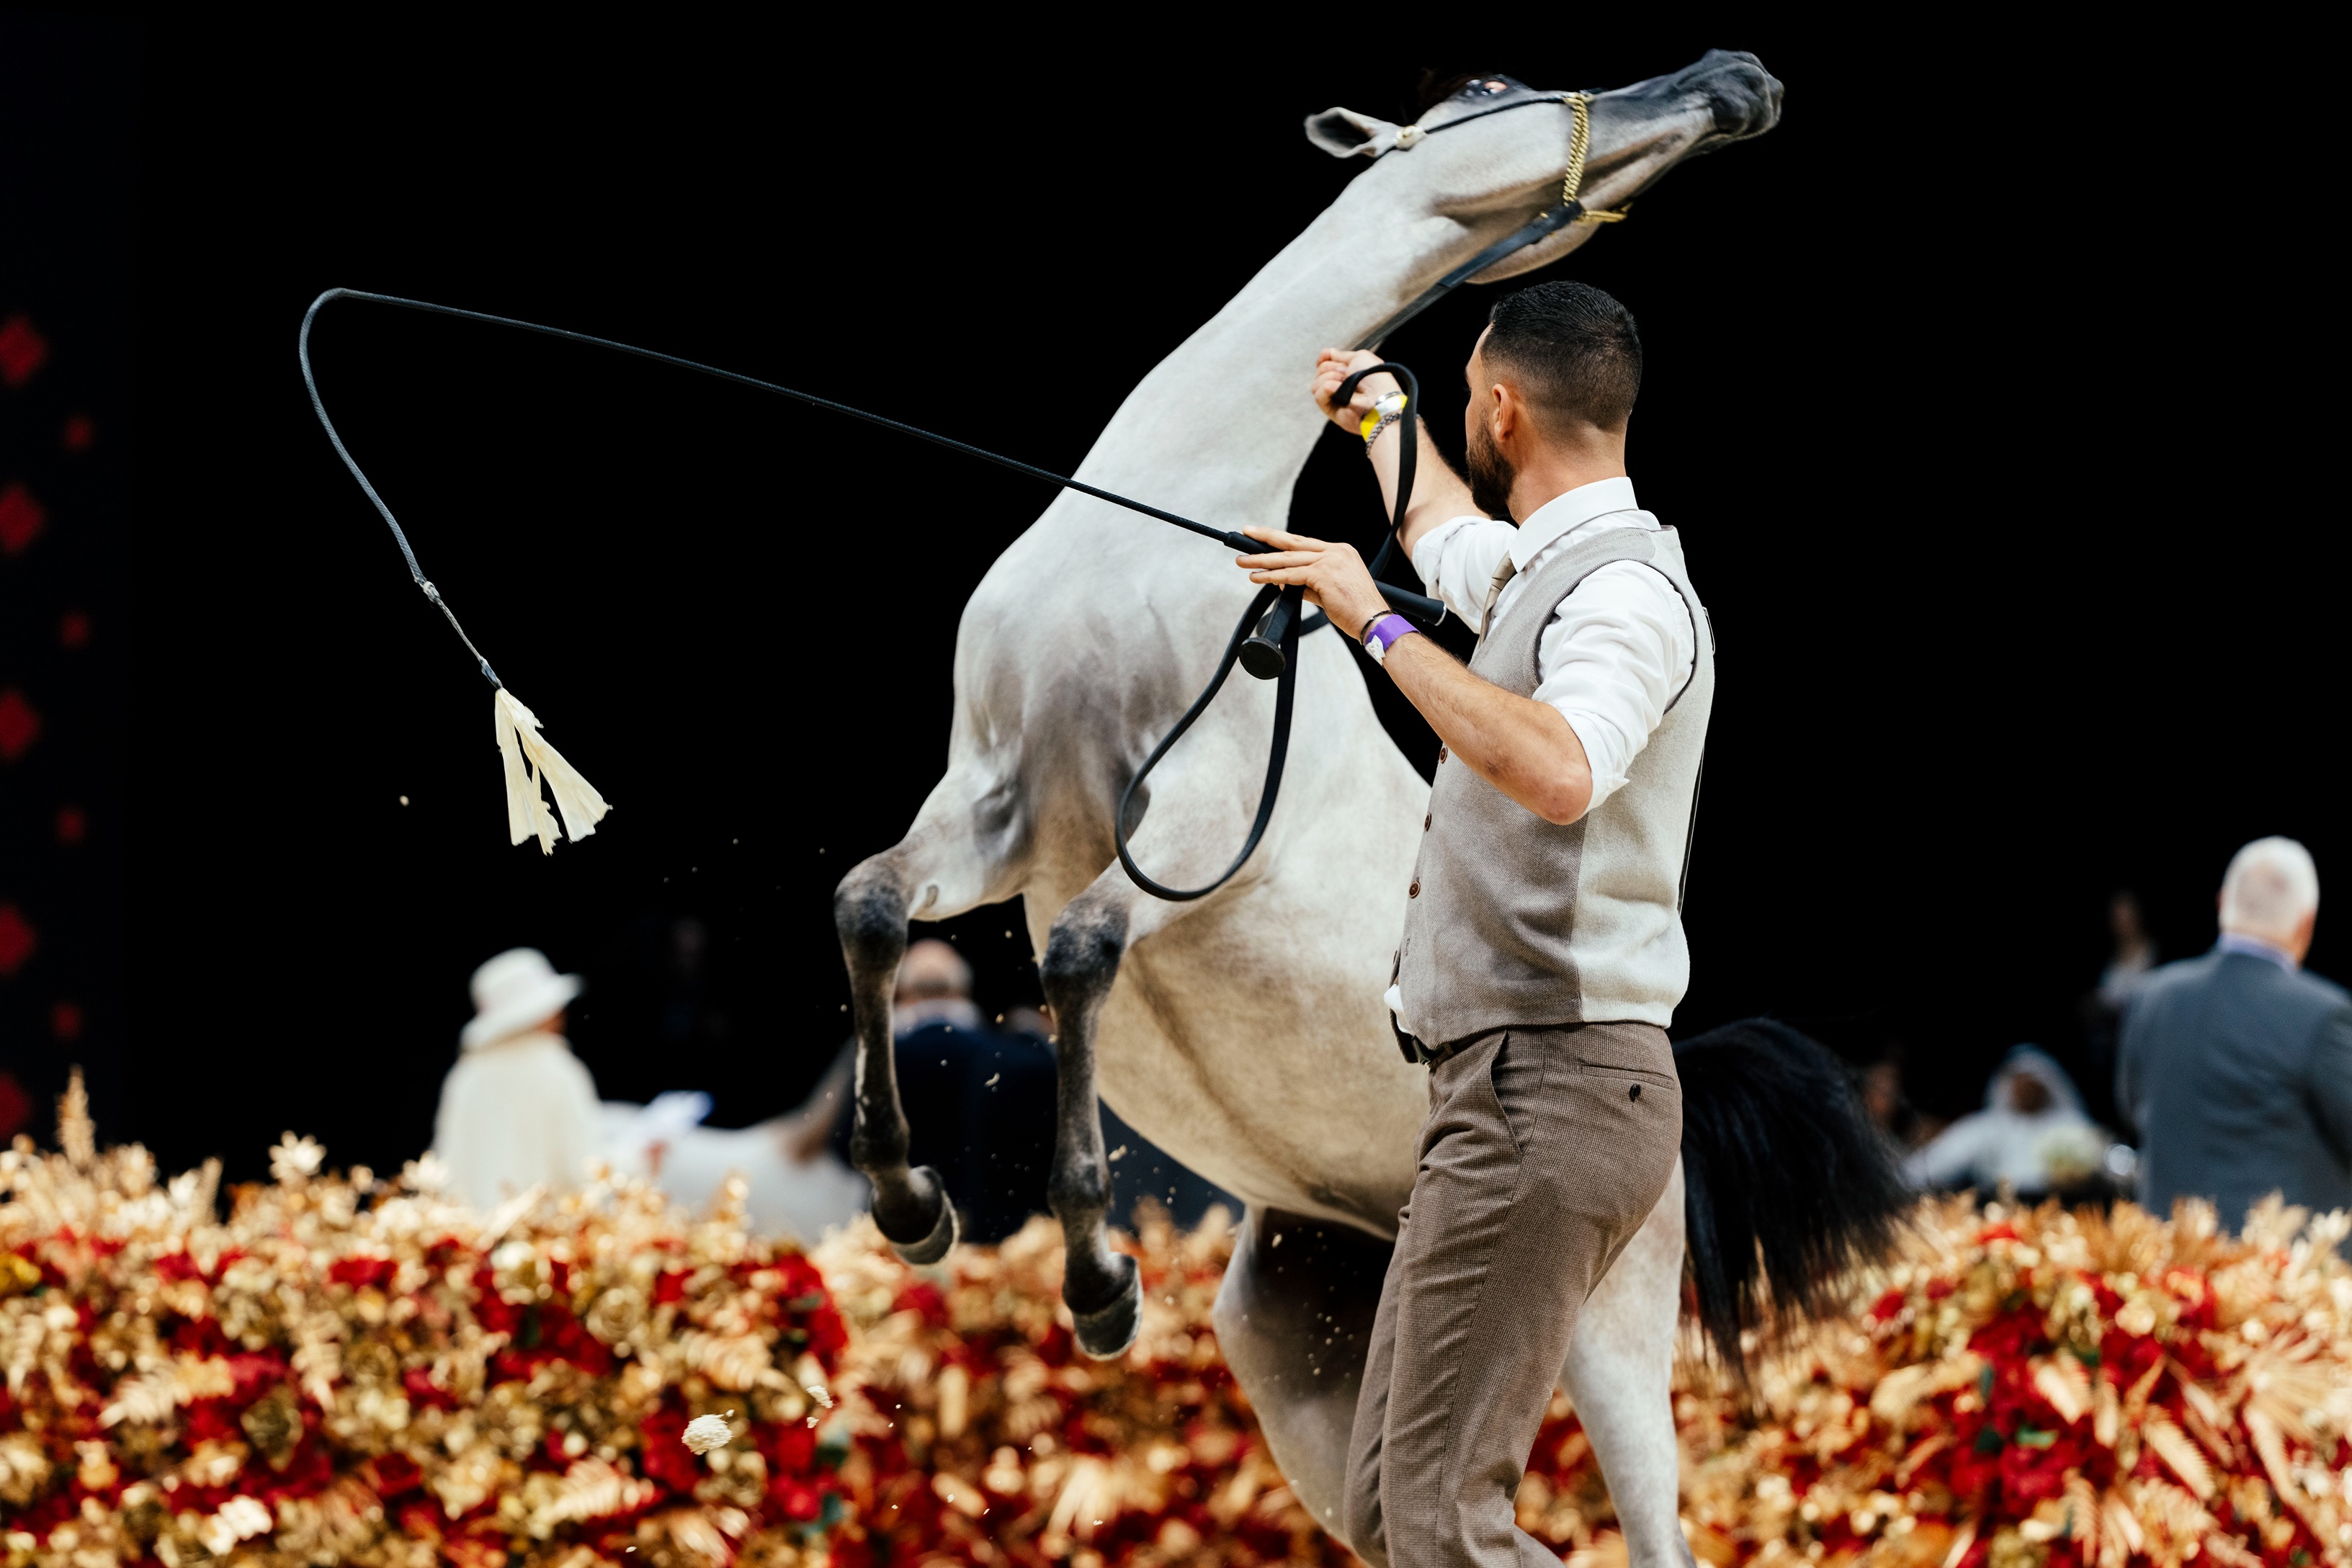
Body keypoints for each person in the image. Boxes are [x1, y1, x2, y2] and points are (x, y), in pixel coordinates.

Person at [1236, 279, 1707, 1568]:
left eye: (1458, 401)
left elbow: (1558, 767)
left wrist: (1369, 618)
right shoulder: (1539, 571)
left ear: (1504, 408)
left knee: (1446, 1521)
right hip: (1505, 1091)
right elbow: (1437, 518)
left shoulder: (1627, 597)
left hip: (1550, 1087)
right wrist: (1384, 415)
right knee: (1397, 1510)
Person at [2119, 837, 2352, 1226]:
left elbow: (2132, 1107)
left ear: (2223, 902)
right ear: (2306, 922)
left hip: (2170, 1272)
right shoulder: (2323, 1015)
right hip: (2280, 1276)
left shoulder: (2153, 998)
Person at [432, 948, 603, 1214]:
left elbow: (445, 1172)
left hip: (474, 1243)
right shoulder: (558, 1069)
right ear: (544, 1012)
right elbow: (583, 1169)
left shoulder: (465, 1076)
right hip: (548, 1242)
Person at [1904, 1047, 2106, 1199]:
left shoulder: (2072, 1125)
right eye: (2019, 1084)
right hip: (1999, 1212)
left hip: (2063, 1210)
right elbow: (1943, 1159)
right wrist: (1902, 1180)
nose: (2025, 1091)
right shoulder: (1989, 1126)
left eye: (2031, 1084)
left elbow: (2105, 1164)